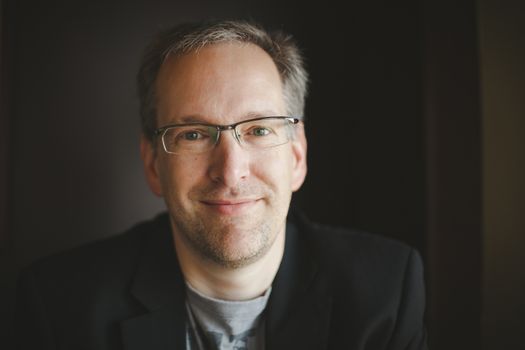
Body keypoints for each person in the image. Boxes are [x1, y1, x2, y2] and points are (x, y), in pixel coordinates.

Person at [15, 20, 428, 350]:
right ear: (153, 164)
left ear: (297, 157)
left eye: (259, 130)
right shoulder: (59, 305)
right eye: (193, 134)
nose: (231, 171)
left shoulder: (384, 292)